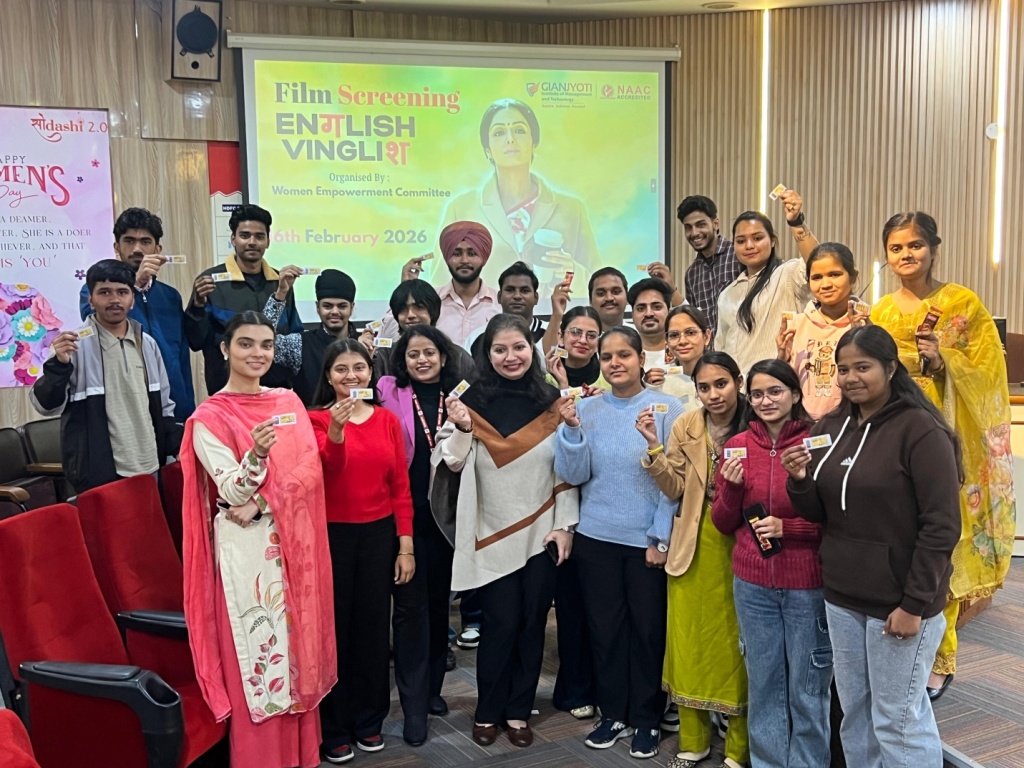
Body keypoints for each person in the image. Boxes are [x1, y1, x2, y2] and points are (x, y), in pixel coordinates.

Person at [784, 325, 962, 767]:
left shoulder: (920, 431)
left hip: (899, 602)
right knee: (856, 715)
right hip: (843, 597)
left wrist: (914, 604)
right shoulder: (831, 426)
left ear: (890, 368)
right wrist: (800, 480)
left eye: (862, 367)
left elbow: (941, 527)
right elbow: (818, 511)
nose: (850, 378)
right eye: (843, 369)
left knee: (897, 721)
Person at [179, 311, 335, 768]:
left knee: (298, 648)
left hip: (295, 541)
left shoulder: (287, 400)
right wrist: (258, 455)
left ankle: (301, 757)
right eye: (246, 344)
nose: (257, 353)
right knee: (261, 656)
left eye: (266, 345)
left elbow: (309, 468)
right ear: (224, 349)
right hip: (248, 553)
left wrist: (265, 501)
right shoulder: (209, 417)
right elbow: (230, 491)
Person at [870, 212, 1015, 699]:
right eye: (896, 248)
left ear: (934, 247)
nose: (905, 255)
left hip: (944, 438)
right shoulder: (881, 311)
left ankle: (941, 656)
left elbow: (990, 370)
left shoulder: (962, 304)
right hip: (893, 435)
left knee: (942, 541)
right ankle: (901, 644)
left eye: (914, 245)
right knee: (899, 536)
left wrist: (943, 361)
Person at [433, 314, 578, 749]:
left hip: (542, 533)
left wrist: (565, 525)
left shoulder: (551, 400)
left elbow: (566, 466)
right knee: (499, 624)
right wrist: (462, 428)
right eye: (500, 349)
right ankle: (487, 710)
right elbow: (451, 460)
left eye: (518, 348)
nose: (510, 357)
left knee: (532, 624)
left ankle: (518, 711)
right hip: (491, 533)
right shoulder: (467, 401)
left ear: (531, 350)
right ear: (487, 353)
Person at [555, 326, 684, 760]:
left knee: (647, 632)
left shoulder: (668, 408)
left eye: (624, 355)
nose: (615, 363)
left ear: (641, 359)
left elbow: (676, 481)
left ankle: (647, 718)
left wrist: (660, 537)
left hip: (646, 540)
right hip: (596, 538)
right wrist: (572, 430)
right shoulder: (586, 409)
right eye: (607, 356)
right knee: (605, 630)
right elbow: (573, 475)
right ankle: (613, 713)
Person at [711, 359, 828, 768]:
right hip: (753, 586)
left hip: (806, 584)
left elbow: (837, 519)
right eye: (757, 394)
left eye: (775, 391)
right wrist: (731, 489)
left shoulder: (818, 442)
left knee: (808, 688)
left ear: (795, 394)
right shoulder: (737, 445)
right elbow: (723, 522)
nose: (765, 401)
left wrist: (787, 528)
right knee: (764, 686)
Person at [308, 338, 415, 762]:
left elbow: (400, 487)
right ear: (328, 376)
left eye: (359, 368)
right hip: (331, 535)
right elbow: (327, 471)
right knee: (335, 631)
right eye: (341, 369)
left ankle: (369, 720)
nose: (351, 376)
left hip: (378, 535)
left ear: (371, 372)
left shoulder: (387, 420)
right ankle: (333, 725)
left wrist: (405, 546)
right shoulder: (315, 419)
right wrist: (336, 431)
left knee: (372, 631)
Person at [642, 351, 750, 768]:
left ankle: (738, 750)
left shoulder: (756, 425)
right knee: (688, 644)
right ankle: (693, 743)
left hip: (742, 544)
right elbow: (674, 488)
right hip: (692, 542)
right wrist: (654, 448)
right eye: (704, 387)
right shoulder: (687, 423)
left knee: (738, 648)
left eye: (721, 384)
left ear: (738, 382)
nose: (713, 394)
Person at [377, 325, 467, 733]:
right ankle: (413, 707)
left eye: (429, 352)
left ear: (443, 356)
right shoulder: (388, 391)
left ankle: (432, 689)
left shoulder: (461, 395)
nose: (422, 360)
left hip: (446, 519)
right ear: (403, 360)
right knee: (410, 611)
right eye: (413, 354)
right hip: (404, 519)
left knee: (438, 607)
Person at [32, 259, 178, 493]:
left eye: (122, 292)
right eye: (104, 292)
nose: (114, 300)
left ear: (132, 299)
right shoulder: (72, 346)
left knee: (148, 519)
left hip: (148, 464)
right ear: (90, 299)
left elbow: (164, 407)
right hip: (97, 471)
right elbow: (45, 406)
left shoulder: (148, 344)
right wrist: (58, 366)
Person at [430, 98, 599, 290]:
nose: (510, 139)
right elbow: (440, 286)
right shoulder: (461, 209)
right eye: (499, 132)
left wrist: (572, 272)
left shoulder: (571, 209)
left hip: (554, 308)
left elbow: (598, 282)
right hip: (484, 310)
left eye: (519, 130)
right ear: (488, 150)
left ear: (534, 142)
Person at [79, 207, 195, 419]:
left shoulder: (171, 296)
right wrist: (134, 284)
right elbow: (98, 329)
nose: (137, 249)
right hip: (126, 407)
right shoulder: (93, 291)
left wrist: (188, 408)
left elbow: (181, 356)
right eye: (129, 241)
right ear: (117, 247)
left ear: (157, 249)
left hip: (173, 406)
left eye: (145, 242)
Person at [185, 204, 303, 395]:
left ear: (268, 241)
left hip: (276, 391)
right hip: (228, 393)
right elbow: (195, 341)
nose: (252, 242)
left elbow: (294, 336)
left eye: (259, 236)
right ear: (233, 239)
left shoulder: (281, 283)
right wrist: (197, 305)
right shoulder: (210, 283)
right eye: (245, 235)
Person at [715, 192, 819, 376]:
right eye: (741, 241)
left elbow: (817, 264)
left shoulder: (786, 274)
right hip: (737, 388)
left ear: (772, 241)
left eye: (757, 238)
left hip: (776, 383)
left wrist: (796, 222)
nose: (749, 245)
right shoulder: (727, 294)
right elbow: (721, 347)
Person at [777, 242, 870, 420]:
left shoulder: (866, 325)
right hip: (803, 426)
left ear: (853, 278)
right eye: (817, 277)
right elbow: (783, 384)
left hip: (852, 424)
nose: (825, 284)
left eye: (834, 275)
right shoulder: (796, 325)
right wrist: (781, 359)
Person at [391, 221, 501, 346]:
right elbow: (391, 338)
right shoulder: (429, 301)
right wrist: (405, 291)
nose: (464, 260)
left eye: (472, 254)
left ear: (483, 258)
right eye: (457, 254)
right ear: (447, 257)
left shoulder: (500, 303)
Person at [264, 269, 361, 405]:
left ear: (352, 307)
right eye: (327, 306)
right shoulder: (299, 344)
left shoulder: (364, 344)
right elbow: (260, 340)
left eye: (342, 306)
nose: (334, 311)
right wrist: (281, 294)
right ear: (317, 307)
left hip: (359, 417)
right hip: (311, 418)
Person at [676, 195, 743, 334]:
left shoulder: (738, 255)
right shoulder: (692, 274)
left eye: (701, 225)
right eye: (688, 227)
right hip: (710, 347)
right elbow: (696, 322)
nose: (694, 233)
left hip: (741, 345)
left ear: (715, 224)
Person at [464, 261, 546, 356]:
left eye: (525, 290)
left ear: (536, 298)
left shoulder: (553, 333)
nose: (517, 296)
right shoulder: (476, 337)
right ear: (499, 297)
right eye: (510, 290)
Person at [647, 305, 713, 411]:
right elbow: (657, 415)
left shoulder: (723, 373)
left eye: (690, 333)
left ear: (706, 336)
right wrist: (652, 389)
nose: (682, 341)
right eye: (674, 335)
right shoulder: (659, 382)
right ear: (666, 341)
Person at [545, 306, 608, 392]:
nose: (583, 340)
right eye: (575, 332)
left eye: (591, 335)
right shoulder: (547, 382)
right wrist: (563, 385)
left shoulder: (610, 377)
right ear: (561, 337)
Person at [628, 277, 674, 372]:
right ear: (632, 315)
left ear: (669, 312)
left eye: (657, 307)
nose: (649, 314)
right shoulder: (625, 354)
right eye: (641, 309)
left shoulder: (682, 350)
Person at [587, 266, 630, 331]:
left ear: (627, 297)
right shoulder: (581, 336)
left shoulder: (640, 335)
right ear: (590, 301)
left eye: (616, 292)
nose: (609, 298)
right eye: (601, 293)